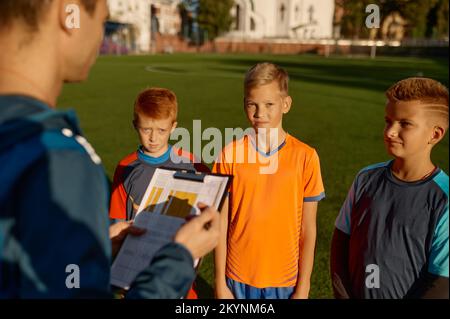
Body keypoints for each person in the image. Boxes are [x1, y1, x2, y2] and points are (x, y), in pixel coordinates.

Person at [0, 0, 219, 298]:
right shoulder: (56, 160)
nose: (101, 37)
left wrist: (95, 249)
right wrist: (180, 257)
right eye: (102, 21)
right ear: (69, 13)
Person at [213, 63, 325, 299]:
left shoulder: (306, 156)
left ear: (286, 105)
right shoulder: (229, 154)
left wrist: (303, 287)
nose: (259, 113)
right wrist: (219, 282)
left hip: (285, 280)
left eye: (269, 105)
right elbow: (220, 223)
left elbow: (308, 229)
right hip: (237, 276)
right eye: (252, 104)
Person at [330, 77, 449, 299]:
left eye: (405, 124)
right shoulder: (365, 179)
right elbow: (340, 243)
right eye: (388, 121)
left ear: (435, 134)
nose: (390, 132)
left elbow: (441, 283)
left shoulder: (444, 198)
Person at [109, 87, 210, 298]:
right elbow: (117, 220)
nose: (153, 138)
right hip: (138, 274)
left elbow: (211, 210)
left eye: (161, 130)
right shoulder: (126, 167)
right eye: (146, 130)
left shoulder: (193, 164)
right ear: (135, 125)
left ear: (174, 127)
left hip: (182, 272)